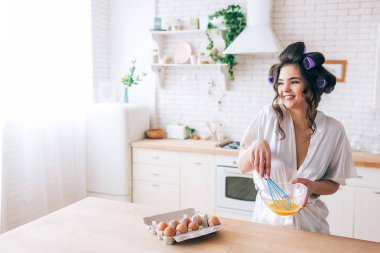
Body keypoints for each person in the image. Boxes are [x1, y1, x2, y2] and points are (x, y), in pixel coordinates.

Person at [237, 41, 357, 233]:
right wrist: (255, 146)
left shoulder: (334, 130)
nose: (285, 89)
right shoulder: (268, 117)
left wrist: (313, 186)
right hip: (267, 223)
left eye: (294, 82)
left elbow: (334, 183)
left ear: (310, 85)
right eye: (281, 83)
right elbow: (242, 166)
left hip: (311, 225)